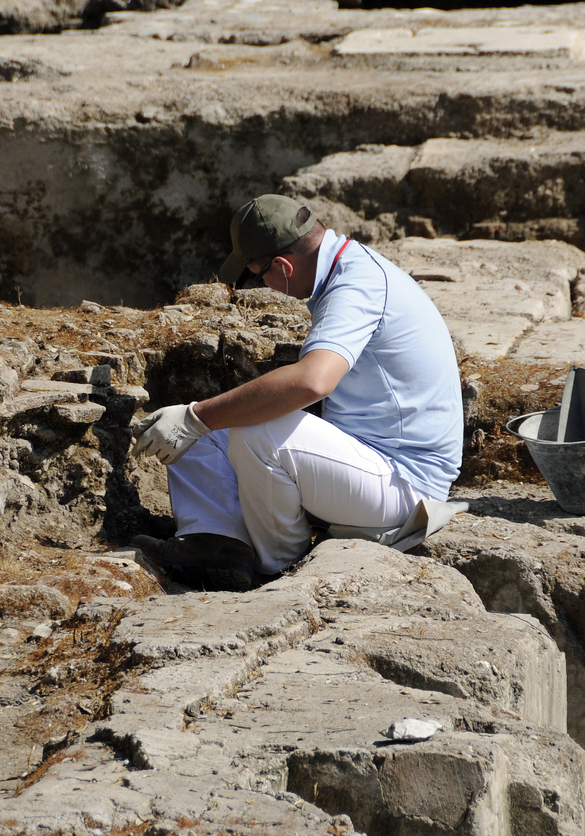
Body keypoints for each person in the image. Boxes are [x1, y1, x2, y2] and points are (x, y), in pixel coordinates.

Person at [131, 194, 463, 591]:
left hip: (406, 485)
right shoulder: (348, 269)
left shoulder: (356, 286)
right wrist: (197, 417)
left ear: (283, 266)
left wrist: (197, 417)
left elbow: (312, 381)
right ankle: (218, 544)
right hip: (373, 462)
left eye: (258, 275)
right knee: (217, 419)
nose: (262, 286)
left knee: (254, 431)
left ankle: (277, 566)